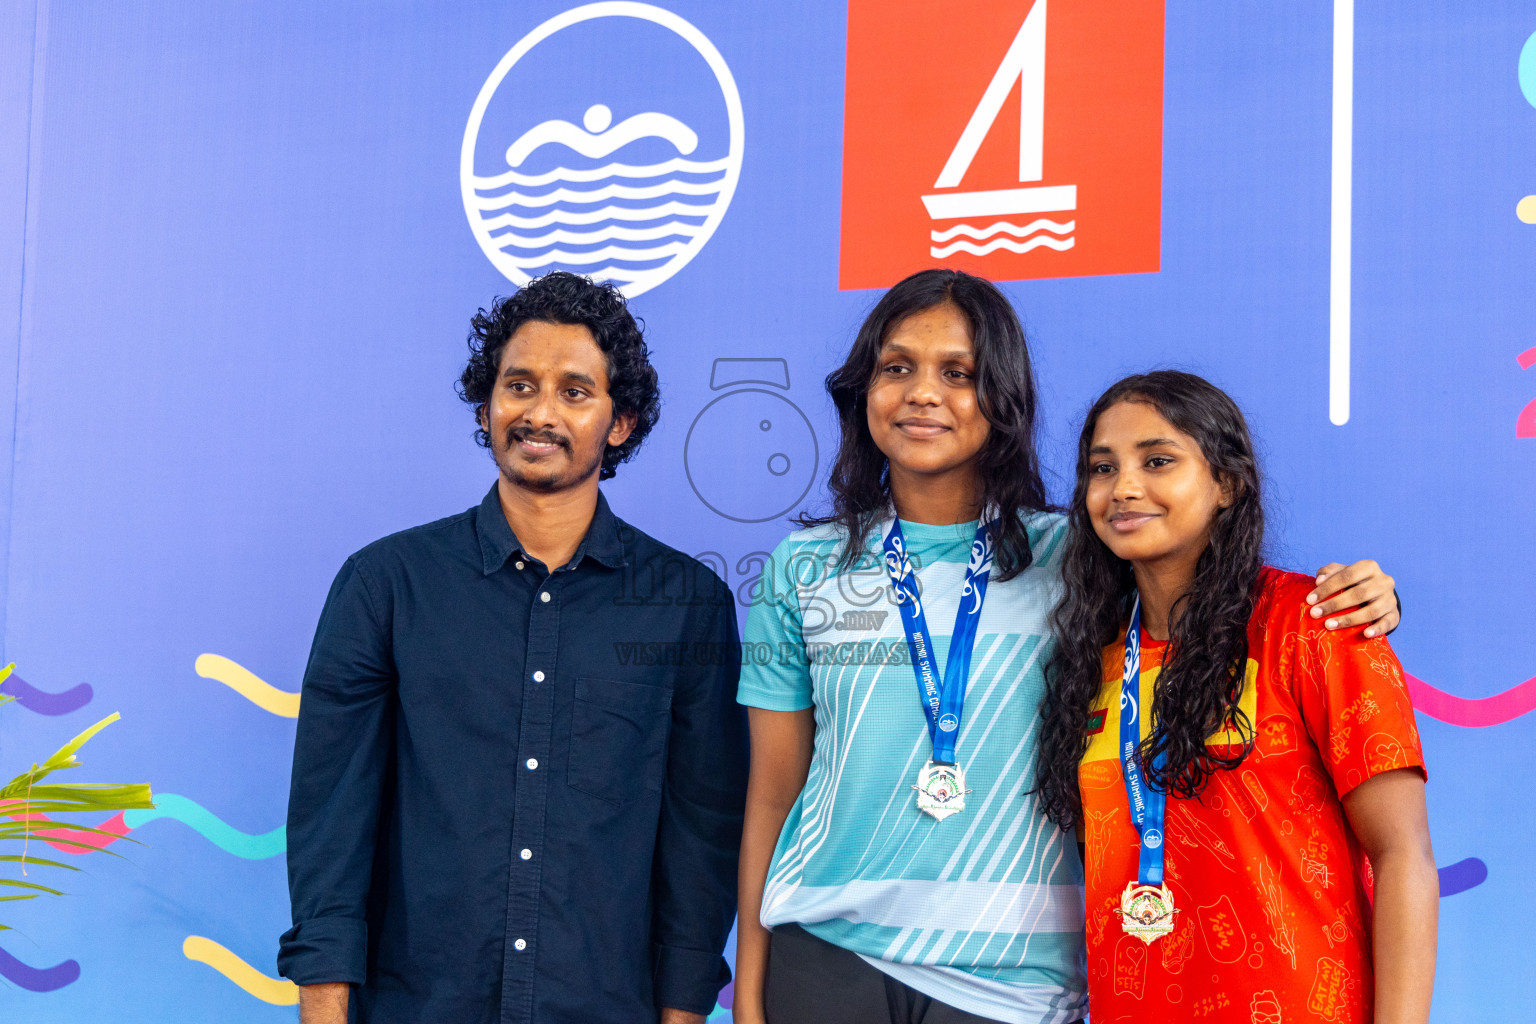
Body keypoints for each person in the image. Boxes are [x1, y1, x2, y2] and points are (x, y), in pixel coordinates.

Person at [732, 270, 1403, 1024]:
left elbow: (1207, 592)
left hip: (1015, 979)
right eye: (897, 368)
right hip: (827, 953)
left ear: (1004, 399)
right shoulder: (803, 567)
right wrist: (749, 986)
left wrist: (1370, 593)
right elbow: (771, 793)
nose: (923, 393)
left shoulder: (1077, 556)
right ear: (864, 388)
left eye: (959, 373)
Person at [277, 272, 748, 1024]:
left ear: (620, 421)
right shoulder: (386, 585)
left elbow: (701, 835)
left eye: (574, 391)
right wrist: (325, 1003)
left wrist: (685, 1008)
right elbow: (332, 820)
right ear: (486, 402)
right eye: (519, 385)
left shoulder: (686, 605)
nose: (539, 412)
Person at [1034, 370, 1435, 1024]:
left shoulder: (1313, 625)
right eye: (1101, 468)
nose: (1124, 487)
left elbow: (1404, 856)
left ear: (1227, 483)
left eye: (1158, 460)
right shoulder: (1088, 663)